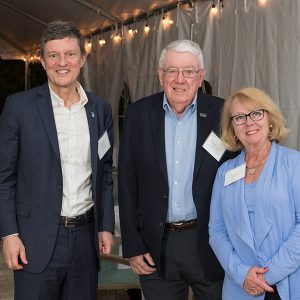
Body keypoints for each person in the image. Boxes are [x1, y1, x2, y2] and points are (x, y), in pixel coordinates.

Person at [0, 21, 115, 300]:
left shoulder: (100, 110)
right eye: (53, 55)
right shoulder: (19, 107)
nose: (62, 63)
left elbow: (105, 172)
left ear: (83, 59)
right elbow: (4, 178)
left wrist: (106, 226)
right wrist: (9, 234)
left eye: (70, 54)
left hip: (85, 241)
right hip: (33, 240)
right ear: (42, 61)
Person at [118, 39, 235, 299]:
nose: (180, 79)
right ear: (161, 75)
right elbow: (127, 183)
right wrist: (133, 246)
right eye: (171, 70)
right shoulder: (139, 114)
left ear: (200, 76)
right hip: (157, 247)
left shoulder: (223, 112)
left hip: (209, 242)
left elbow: (238, 175)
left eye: (189, 71)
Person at [209, 87, 300, 299]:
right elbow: (216, 229)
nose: (249, 122)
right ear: (232, 128)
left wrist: (268, 276)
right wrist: (242, 274)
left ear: (269, 118)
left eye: (256, 113)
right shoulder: (225, 172)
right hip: (240, 286)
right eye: (239, 117)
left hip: (286, 282)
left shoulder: (294, 163)